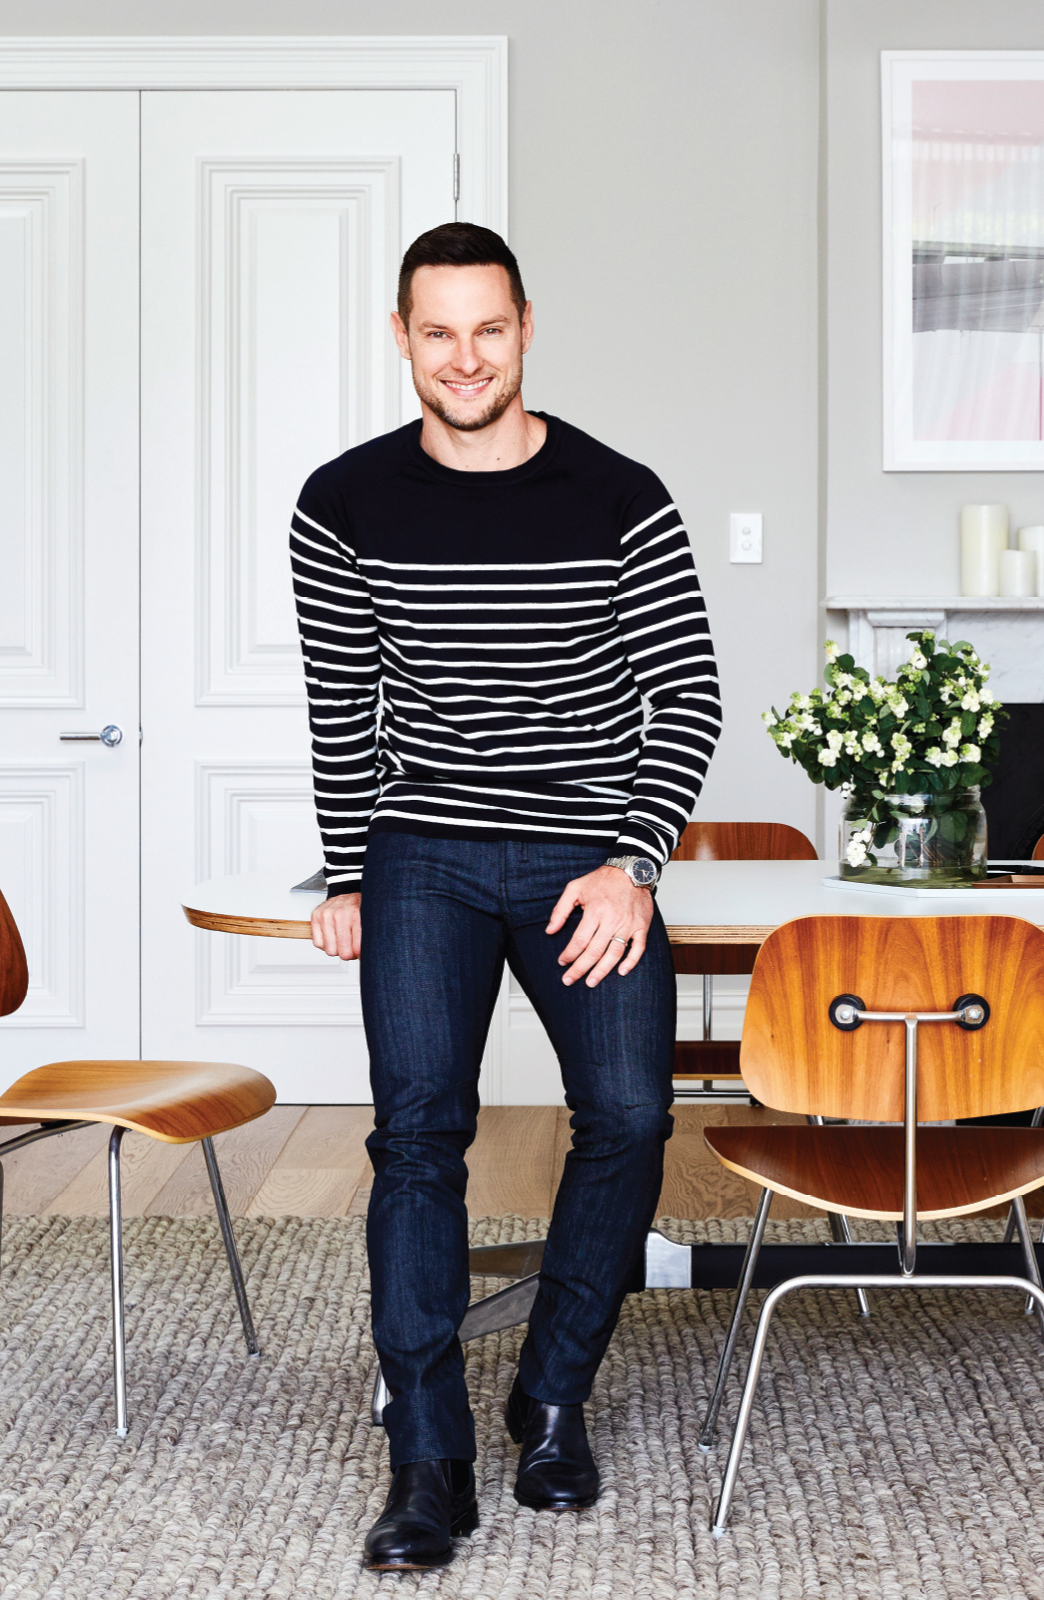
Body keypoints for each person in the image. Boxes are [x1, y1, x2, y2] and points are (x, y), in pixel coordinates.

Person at [291, 221, 721, 1573]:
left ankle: (551, 1397)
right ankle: (427, 1458)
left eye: (489, 329)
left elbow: (687, 696)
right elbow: (342, 706)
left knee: (632, 1114)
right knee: (418, 1138)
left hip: (582, 853)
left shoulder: (621, 495)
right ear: (402, 338)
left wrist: (633, 863)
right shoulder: (342, 502)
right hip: (422, 851)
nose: (465, 357)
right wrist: (348, 869)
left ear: (527, 329)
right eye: (438, 332)